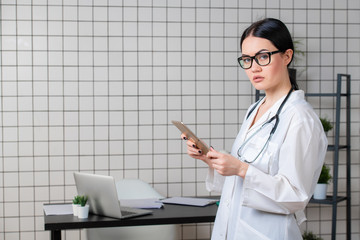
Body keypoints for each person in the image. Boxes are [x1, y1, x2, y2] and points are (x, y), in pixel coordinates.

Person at [182, 18, 328, 240]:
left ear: (287, 56)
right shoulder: (255, 109)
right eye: (247, 60)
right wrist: (210, 159)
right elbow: (239, 181)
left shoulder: (300, 118)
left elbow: (295, 196)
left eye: (263, 56)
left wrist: (242, 169)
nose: (254, 68)